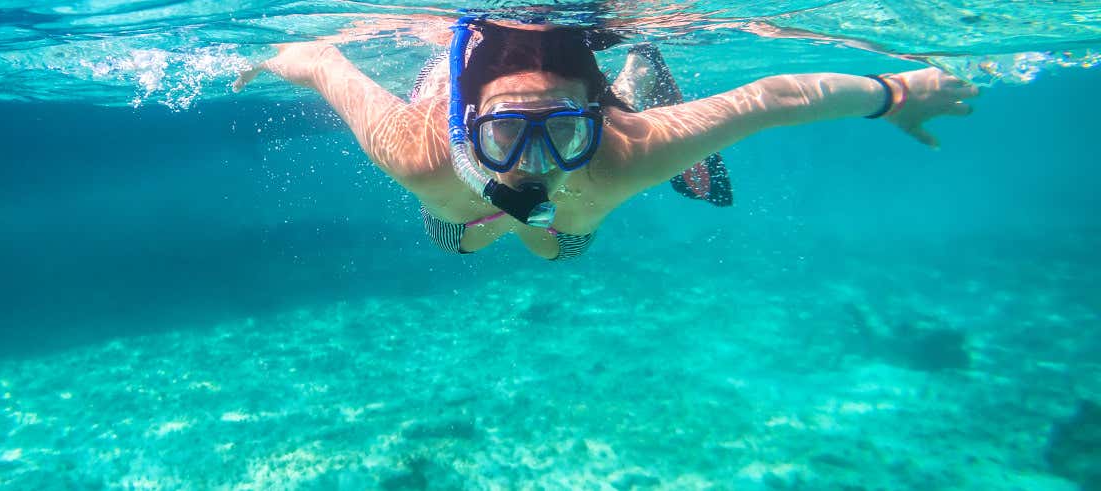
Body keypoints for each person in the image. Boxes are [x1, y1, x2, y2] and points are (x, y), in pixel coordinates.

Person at [232, 18, 978, 261]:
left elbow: (774, 97)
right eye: (504, 133)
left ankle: (637, 72)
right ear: (466, 126)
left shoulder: (627, 149)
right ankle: (505, 207)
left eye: (561, 131)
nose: (532, 162)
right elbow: (322, 59)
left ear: (598, 115)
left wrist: (898, 94)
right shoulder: (420, 150)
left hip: (587, 175)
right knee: (456, 236)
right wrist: (266, 57)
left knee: (560, 245)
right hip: (472, 187)